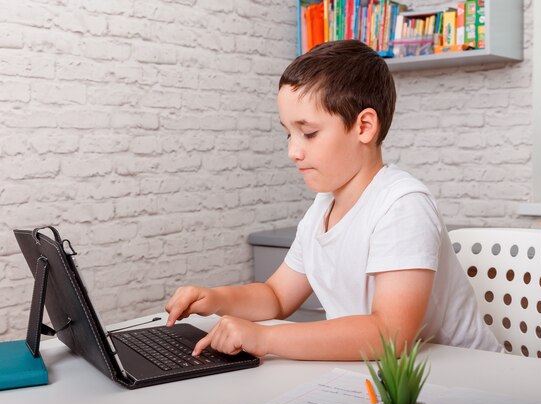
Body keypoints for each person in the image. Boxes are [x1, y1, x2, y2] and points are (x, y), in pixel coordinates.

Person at [165, 39, 500, 360]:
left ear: (364, 126)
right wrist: (215, 298)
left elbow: (391, 334)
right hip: (381, 376)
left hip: (465, 378)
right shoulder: (322, 208)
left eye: (308, 133)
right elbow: (277, 296)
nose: (293, 151)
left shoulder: (402, 204)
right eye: (288, 133)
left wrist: (263, 338)